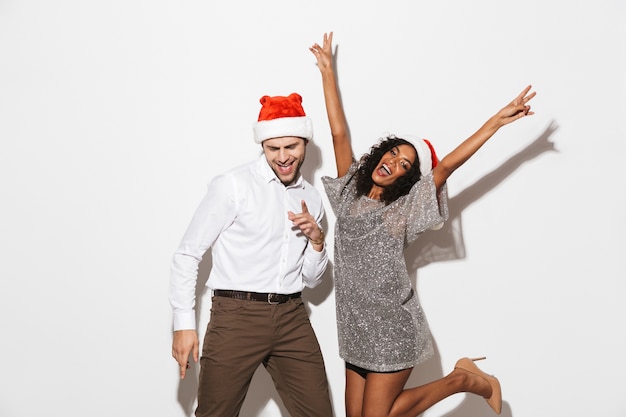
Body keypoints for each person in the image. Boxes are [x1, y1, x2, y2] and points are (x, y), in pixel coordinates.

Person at [310, 32, 535, 417]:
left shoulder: (403, 211)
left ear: (406, 180)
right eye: (393, 153)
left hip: (393, 328)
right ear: (379, 154)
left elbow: (445, 166)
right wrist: (328, 74)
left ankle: (465, 380)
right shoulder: (348, 192)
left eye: (404, 166)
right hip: (354, 327)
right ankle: (463, 378)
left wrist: (495, 122)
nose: (393, 163)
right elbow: (338, 133)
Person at [169, 92, 334, 417]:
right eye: (274, 148)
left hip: (292, 318)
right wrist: (183, 323)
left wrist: (317, 240)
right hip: (237, 316)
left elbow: (312, 281)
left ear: (305, 144)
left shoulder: (312, 199)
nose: (283, 157)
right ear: (262, 146)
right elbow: (188, 254)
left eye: (292, 147)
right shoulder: (234, 185)